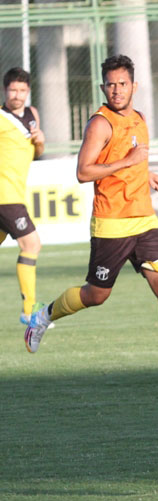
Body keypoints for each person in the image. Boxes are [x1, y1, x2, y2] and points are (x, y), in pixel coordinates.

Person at [24, 55, 158, 383]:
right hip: (111, 224)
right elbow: (84, 172)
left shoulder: (140, 119)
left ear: (134, 86)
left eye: (122, 84)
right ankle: (42, 317)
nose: (117, 90)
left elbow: (132, 163)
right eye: (111, 84)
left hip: (144, 219)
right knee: (96, 295)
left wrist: (148, 175)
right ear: (103, 88)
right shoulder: (100, 124)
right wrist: (128, 161)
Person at [1, 67, 46, 326]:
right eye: (12, 90)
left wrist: (40, 141)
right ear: (4, 90)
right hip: (4, 196)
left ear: (28, 91)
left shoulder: (32, 114)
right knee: (31, 244)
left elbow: (37, 152)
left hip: (16, 192)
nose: (17, 95)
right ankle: (30, 311)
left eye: (22, 90)